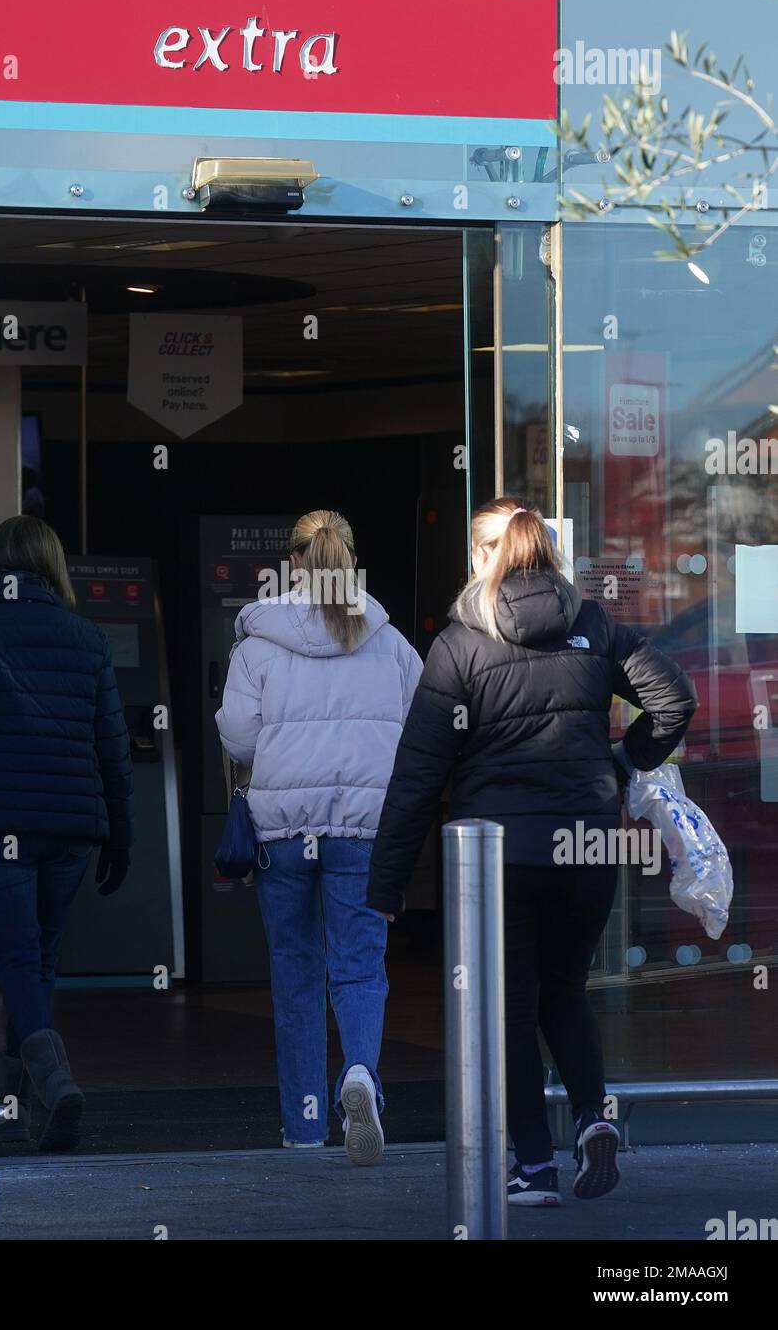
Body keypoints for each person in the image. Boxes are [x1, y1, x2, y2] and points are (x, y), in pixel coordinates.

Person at [366, 497, 697, 1204]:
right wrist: (625, 761)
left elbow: (419, 773)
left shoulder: (461, 643)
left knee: (510, 1004)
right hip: (586, 848)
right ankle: (590, 1117)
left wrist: (387, 884)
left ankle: (534, 1167)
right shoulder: (594, 624)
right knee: (565, 990)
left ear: (485, 556)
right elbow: (675, 698)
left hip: (499, 859)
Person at [216, 510, 422, 1164]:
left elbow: (238, 737)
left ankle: (302, 1129)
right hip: (361, 830)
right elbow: (424, 728)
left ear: (294, 564)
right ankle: (359, 1072)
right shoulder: (389, 642)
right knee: (360, 967)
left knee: (296, 974)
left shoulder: (258, 641)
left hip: (281, 831)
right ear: (351, 560)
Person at [0, 516, 133, 1151]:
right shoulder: (88, 637)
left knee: (18, 959)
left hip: (6, 828)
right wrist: (121, 833)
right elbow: (113, 746)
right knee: (39, 960)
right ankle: (21, 1102)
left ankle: (53, 1083)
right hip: (75, 829)